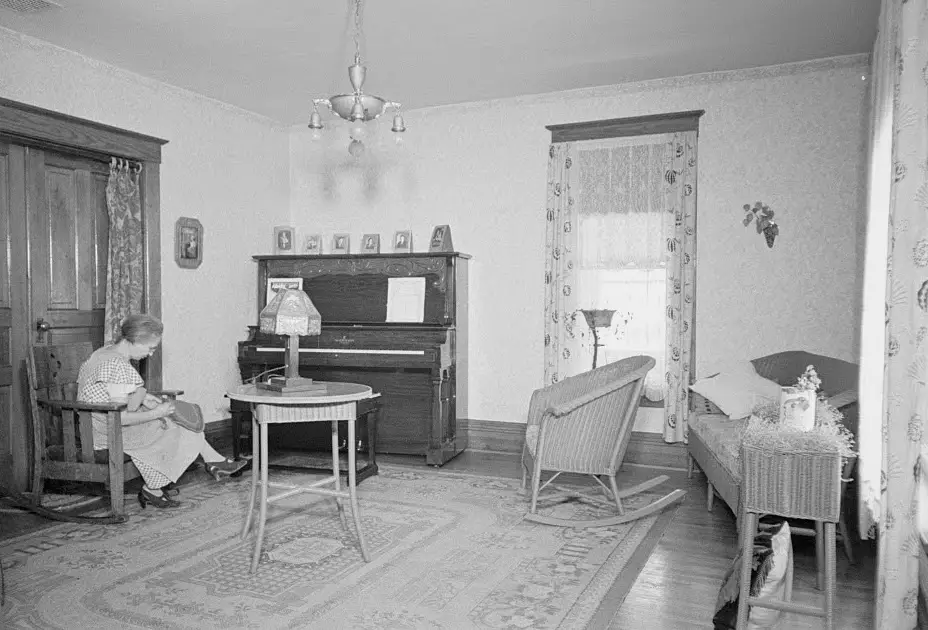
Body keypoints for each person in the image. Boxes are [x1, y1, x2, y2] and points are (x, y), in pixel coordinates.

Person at [78, 314, 246, 509]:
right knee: (175, 425)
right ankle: (157, 486)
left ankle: (210, 464)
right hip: (108, 434)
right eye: (150, 348)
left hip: (95, 426)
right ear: (135, 341)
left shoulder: (105, 353)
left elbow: (114, 396)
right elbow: (120, 417)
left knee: (174, 420)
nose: (150, 354)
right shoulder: (117, 365)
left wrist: (144, 397)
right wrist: (157, 413)